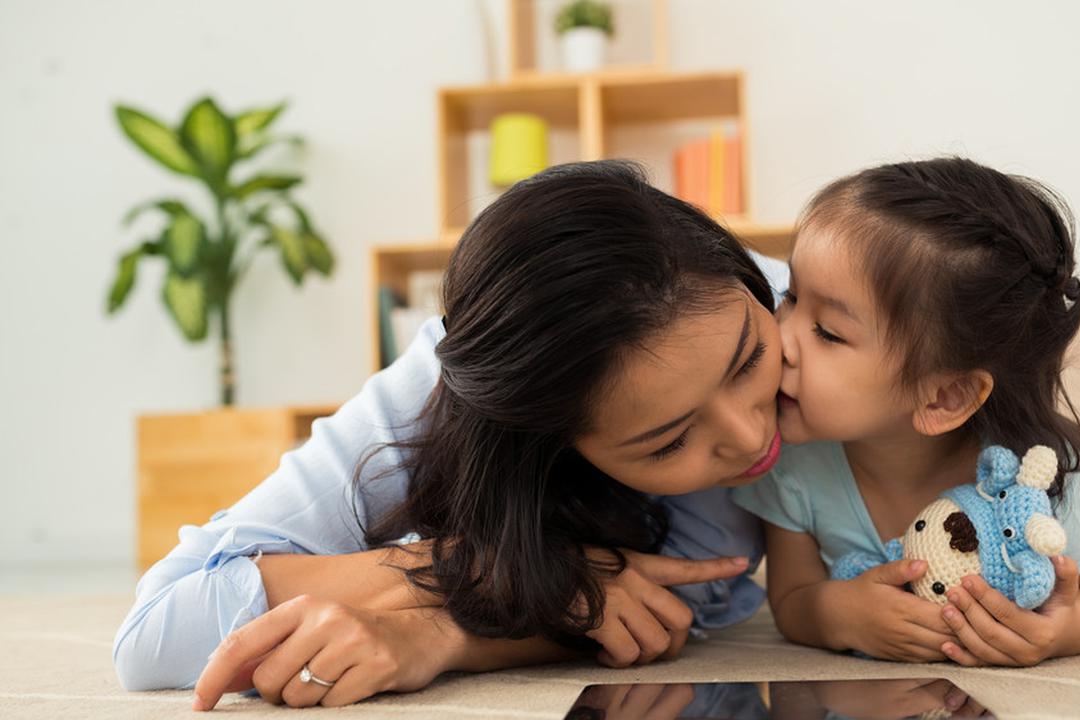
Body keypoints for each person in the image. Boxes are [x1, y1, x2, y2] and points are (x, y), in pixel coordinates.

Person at [113, 160, 791, 709]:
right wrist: (489, 570)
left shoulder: (818, 311)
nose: (749, 433)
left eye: (751, 359)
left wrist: (447, 629)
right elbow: (157, 632)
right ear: (553, 446)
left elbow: (675, 602)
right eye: (667, 442)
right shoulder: (449, 395)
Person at [733, 157, 1080, 666]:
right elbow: (791, 601)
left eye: (828, 331)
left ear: (944, 398)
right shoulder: (792, 464)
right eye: (789, 297)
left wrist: (1062, 630)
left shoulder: (1045, 477)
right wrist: (841, 614)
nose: (780, 337)